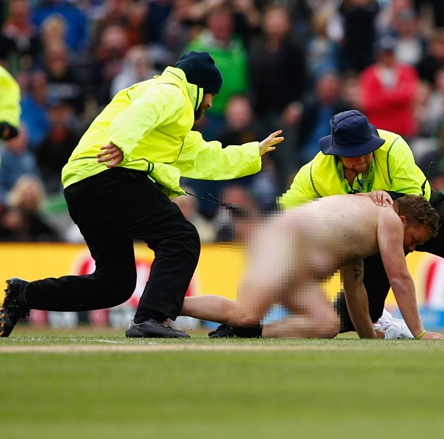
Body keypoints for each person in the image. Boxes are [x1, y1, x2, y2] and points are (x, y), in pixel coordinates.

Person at [0, 51, 284, 339]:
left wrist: (251, 153)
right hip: (106, 176)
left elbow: (203, 156)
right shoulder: (172, 94)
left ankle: (26, 295)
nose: (210, 103)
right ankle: (151, 317)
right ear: (198, 88)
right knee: (181, 236)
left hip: (81, 186)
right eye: (210, 95)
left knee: (115, 283)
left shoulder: (167, 114)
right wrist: (122, 142)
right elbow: (143, 112)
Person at [207, 110, 444, 338]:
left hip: (419, 216)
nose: (360, 162)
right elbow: (289, 208)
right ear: (336, 153)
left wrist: (388, 198)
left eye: (365, 154)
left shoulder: (394, 148)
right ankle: (248, 328)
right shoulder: (315, 171)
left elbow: (416, 197)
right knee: (363, 309)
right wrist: (255, 213)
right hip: (374, 234)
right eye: (352, 158)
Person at [181, 193, 444, 340]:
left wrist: (369, 337)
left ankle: (165, 303)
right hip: (288, 244)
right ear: (404, 220)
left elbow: (355, 290)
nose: (412, 248)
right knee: (251, 315)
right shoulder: (389, 219)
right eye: (415, 239)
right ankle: (163, 303)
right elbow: (400, 279)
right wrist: (420, 333)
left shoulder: (360, 228)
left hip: (280, 238)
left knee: (250, 316)